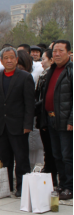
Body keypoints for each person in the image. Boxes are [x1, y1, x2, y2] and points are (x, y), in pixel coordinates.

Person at [0, 47, 35, 196]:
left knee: (21, 158)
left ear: (16, 59)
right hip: (1, 124)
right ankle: (5, 186)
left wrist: (28, 124)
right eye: (6, 58)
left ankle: (22, 187)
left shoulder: (25, 77)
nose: (9, 60)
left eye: (12, 58)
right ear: (1, 61)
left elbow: (29, 104)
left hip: (19, 125)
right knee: (4, 158)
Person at [40, 40, 72, 200]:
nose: (57, 54)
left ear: (69, 53)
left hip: (66, 121)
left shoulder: (70, 71)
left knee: (68, 156)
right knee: (57, 155)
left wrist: (72, 120)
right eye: (55, 51)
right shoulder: (52, 70)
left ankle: (70, 187)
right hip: (51, 119)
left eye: (61, 51)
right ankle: (62, 184)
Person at [35, 49, 57, 186]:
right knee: (47, 149)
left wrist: (35, 107)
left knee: (53, 150)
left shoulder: (53, 75)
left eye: (44, 59)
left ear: (51, 60)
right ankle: (48, 175)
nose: (41, 62)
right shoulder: (43, 75)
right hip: (42, 116)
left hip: (50, 116)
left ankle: (54, 177)